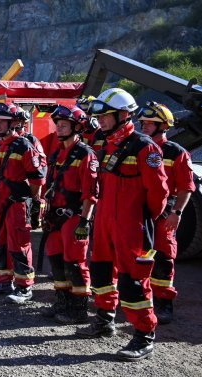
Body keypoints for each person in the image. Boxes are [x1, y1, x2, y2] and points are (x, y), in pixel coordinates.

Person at [75, 88, 169, 361]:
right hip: (105, 221)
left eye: (106, 116)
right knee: (102, 273)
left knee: (134, 280)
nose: (101, 121)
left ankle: (144, 335)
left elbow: (159, 192)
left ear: (123, 115)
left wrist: (139, 218)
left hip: (132, 225)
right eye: (100, 116)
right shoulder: (106, 145)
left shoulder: (145, 147)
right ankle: (104, 321)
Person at [0, 102, 47, 304]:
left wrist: (34, 202)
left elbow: (37, 179)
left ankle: (24, 287)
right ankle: (3, 281)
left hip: (17, 203)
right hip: (1, 202)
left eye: (2, 121)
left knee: (19, 245)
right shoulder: (2, 145)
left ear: (14, 122)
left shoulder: (24, 145)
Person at [137, 101, 195, 324]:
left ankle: (163, 304)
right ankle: (140, 300)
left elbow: (186, 187)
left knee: (163, 257)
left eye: (150, 123)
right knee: (138, 256)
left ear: (163, 125)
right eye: (143, 122)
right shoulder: (138, 148)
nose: (144, 126)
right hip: (141, 213)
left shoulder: (176, 152)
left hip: (165, 214)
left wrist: (177, 213)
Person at [40, 106, 98, 324]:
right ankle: (62, 301)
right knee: (55, 259)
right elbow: (49, 186)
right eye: (58, 124)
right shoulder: (57, 153)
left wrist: (84, 221)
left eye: (64, 124)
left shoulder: (86, 154)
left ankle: (79, 308)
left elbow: (90, 193)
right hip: (55, 217)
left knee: (75, 262)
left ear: (77, 127)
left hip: (75, 216)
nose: (59, 127)